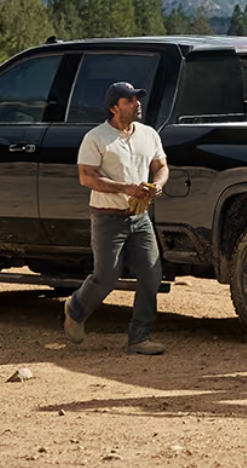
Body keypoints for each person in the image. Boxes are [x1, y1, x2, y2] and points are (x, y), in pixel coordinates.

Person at [64, 81, 169, 354]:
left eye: (137, 99)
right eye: (129, 101)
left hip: (140, 217)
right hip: (107, 217)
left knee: (151, 275)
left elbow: (161, 166)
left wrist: (157, 184)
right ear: (114, 108)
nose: (137, 104)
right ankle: (75, 309)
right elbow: (85, 176)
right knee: (107, 276)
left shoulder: (148, 134)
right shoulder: (96, 137)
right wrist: (124, 188)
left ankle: (140, 337)